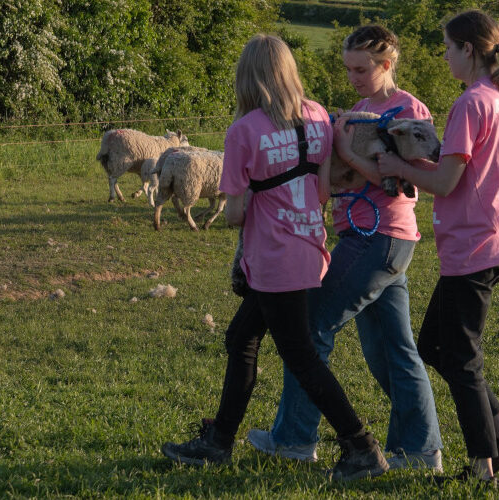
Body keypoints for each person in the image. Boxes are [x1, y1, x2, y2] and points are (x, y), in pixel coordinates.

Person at [161, 34, 389, 482]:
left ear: (246, 76)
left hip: (271, 259)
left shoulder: (245, 130)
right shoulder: (317, 116)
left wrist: (258, 195)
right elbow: (322, 190)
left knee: (301, 357)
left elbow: (235, 214)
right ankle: (219, 440)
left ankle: (361, 446)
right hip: (308, 248)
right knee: (240, 339)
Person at [246, 24, 444, 471]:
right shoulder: (359, 109)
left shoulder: (407, 109)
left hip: (378, 237)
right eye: (349, 69)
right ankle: (420, 450)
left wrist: (344, 151)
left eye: (361, 69)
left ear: (386, 64)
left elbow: (402, 184)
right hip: (374, 240)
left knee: (312, 328)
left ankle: (294, 438)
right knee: (391, 350)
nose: (353, 77)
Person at [376, 9, 499, 486]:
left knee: (460, 358)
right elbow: (461, 168)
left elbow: (445, 181)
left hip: (472, 247)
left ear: (468, 49)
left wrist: (397, 166)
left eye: (447, 47)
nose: (443, 56)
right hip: (492, 238)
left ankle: (484, 466)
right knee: (434, 346)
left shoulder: (470, 103)